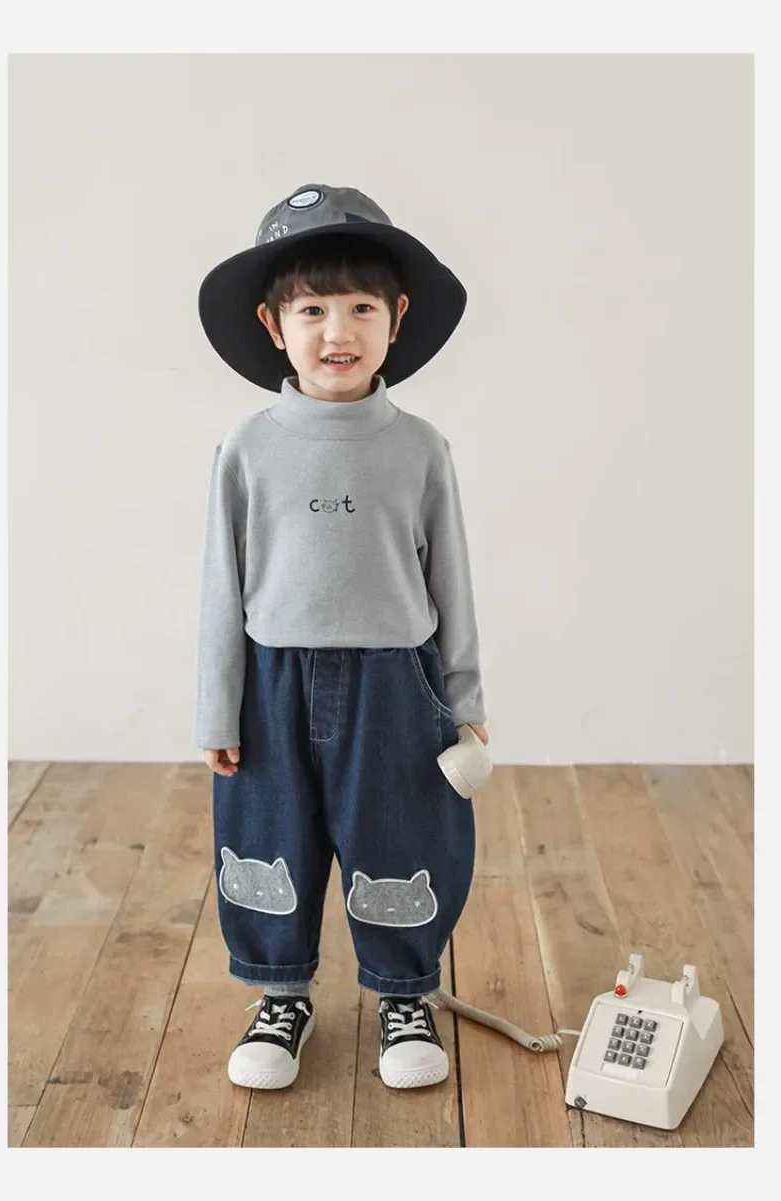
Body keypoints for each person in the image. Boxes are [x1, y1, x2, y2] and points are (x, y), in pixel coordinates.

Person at [194, 184, 489, 1092]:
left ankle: (404, 992)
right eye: (313, 309)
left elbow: (452, 582)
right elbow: (220, 588)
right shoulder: (246, 449)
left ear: (396, 318)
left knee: (402, 833)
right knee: (269, 835)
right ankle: (281, 992)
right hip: (270, 683)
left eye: (361, 308)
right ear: (273, 323)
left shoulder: (421, 448)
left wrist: (467, 701)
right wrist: (216, 707)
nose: (338, 331)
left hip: (398, 684)